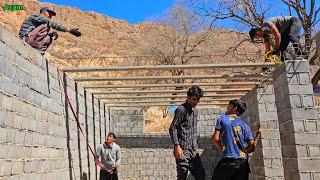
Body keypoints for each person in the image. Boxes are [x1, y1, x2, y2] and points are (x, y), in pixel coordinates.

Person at [211, 100, 261, 180]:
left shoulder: (222, 119)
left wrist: (221, 148)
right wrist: (257, 135)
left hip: (227, 162)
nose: (227, 107)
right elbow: (252, 147)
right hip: (243, 165)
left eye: (229, 105)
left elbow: (216, 138)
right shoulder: (244, 124)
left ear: (235, 108)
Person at [169, 85, 206, 180]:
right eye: (194, 99)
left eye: (198, 100)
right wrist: (177, 146)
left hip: (193, 151)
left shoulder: (195, 111)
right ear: (188, 97)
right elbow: (173, 127)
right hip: (183, 150)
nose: (196, 102)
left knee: (201, 175)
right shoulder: (181, 109)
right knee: (182, 176)